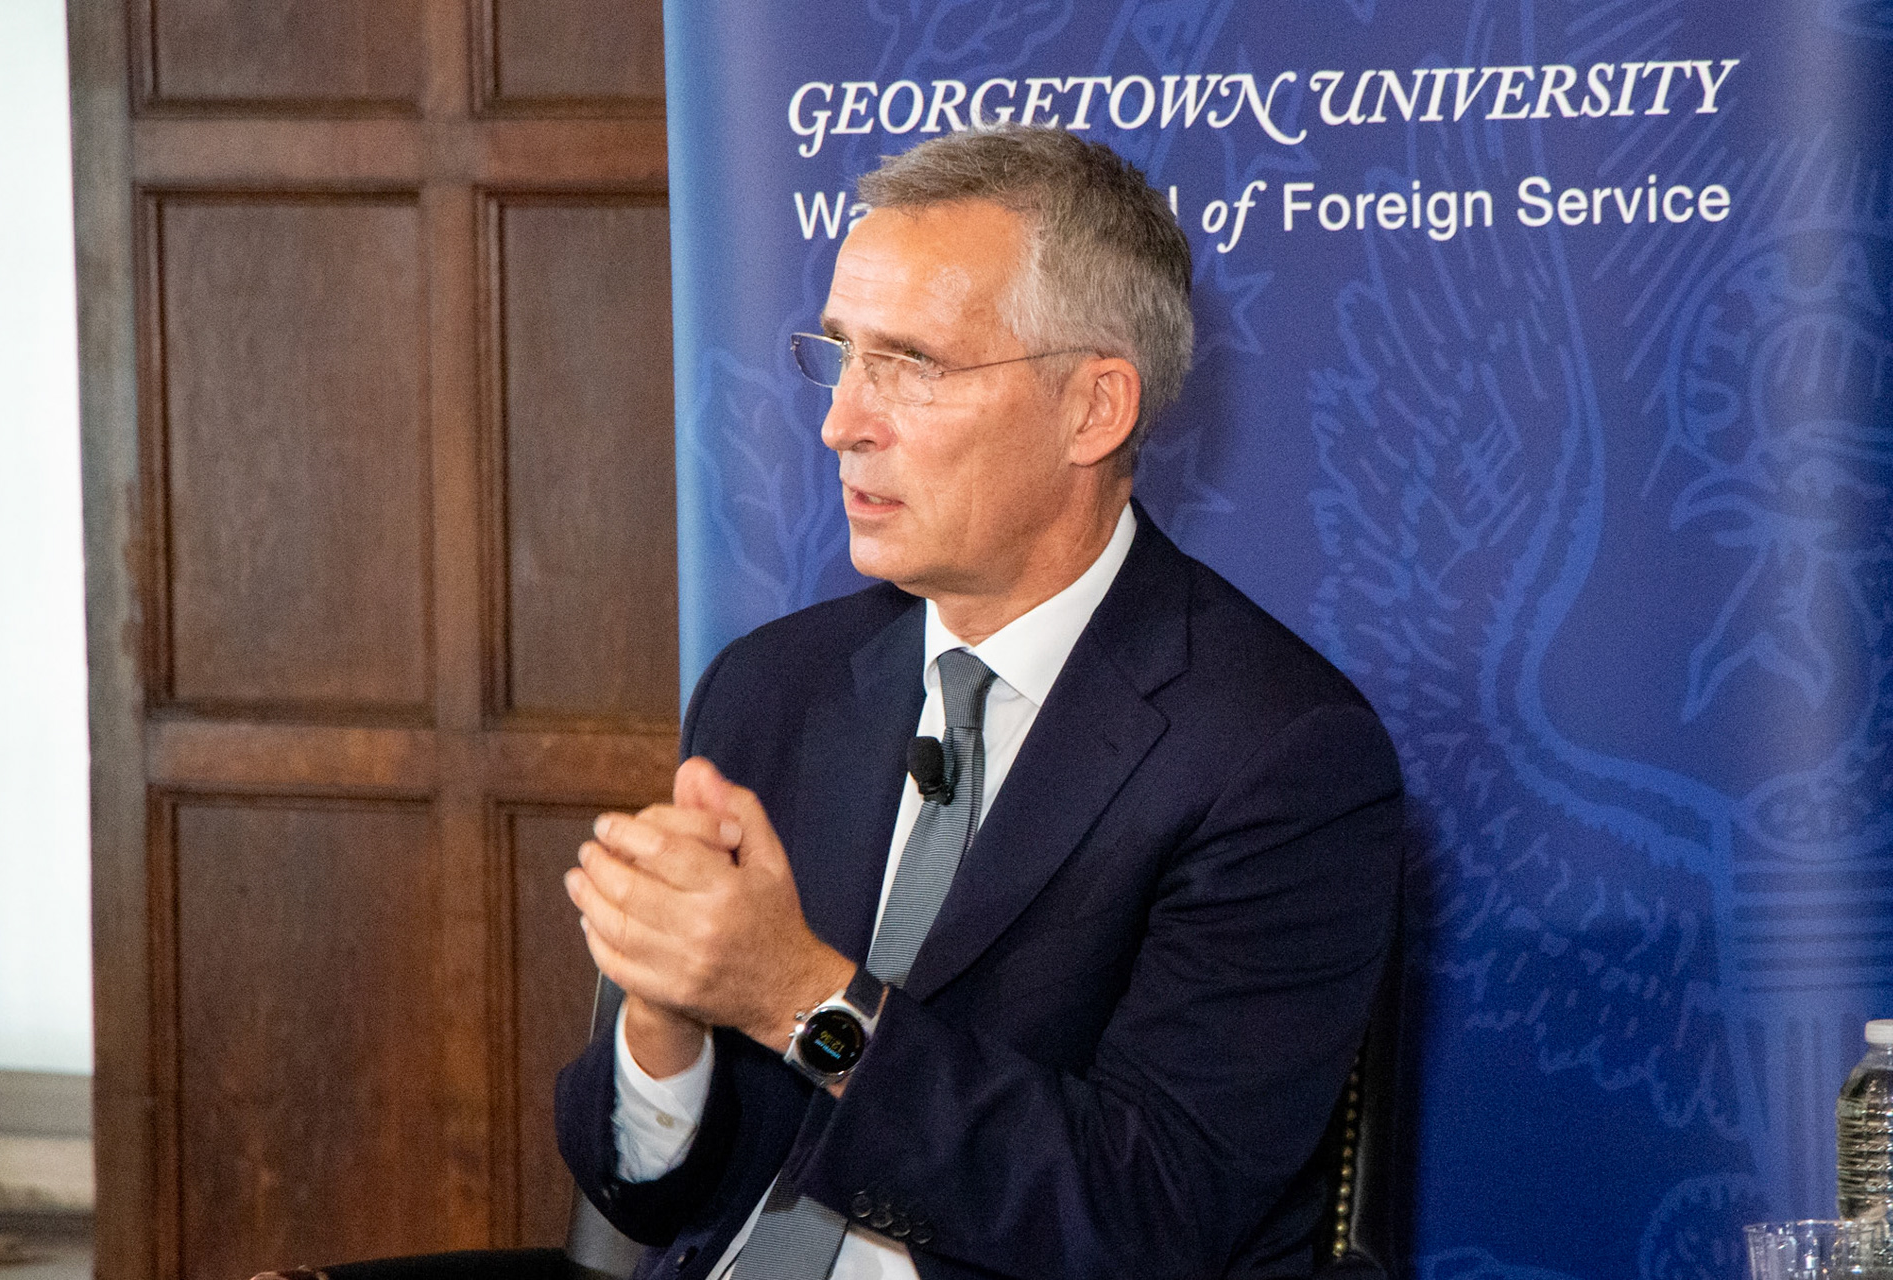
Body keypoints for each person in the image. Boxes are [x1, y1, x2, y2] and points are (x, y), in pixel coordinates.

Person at [556, 126, 1403, 1280]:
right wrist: (663, 1024)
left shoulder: (1278, 752)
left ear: (1094, 408)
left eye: (911, 364)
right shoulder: (772, 686)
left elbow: (1150, 1211)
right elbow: (648, 1200)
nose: (842, 420)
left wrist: (801, 996)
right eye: (841, 353)